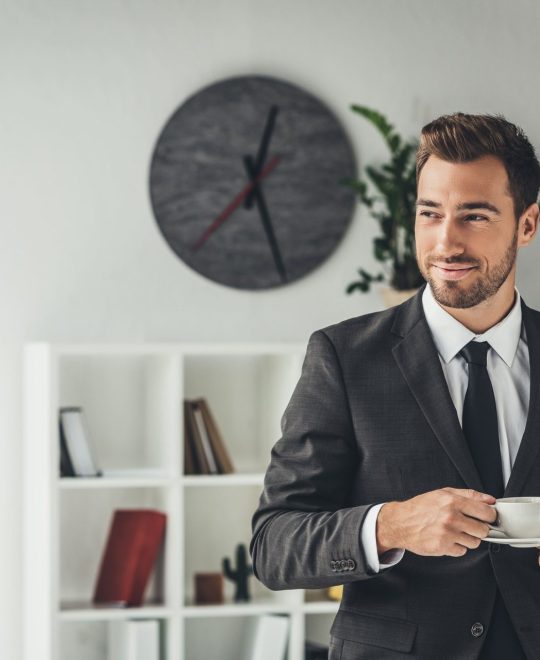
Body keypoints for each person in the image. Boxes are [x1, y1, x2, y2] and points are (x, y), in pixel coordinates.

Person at [250, 113, 540, 659]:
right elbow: (274, 545)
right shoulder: (343, 358)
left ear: (527, 224)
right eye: (430, 214)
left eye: (474, 216)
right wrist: (391, 525)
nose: (445, 242)